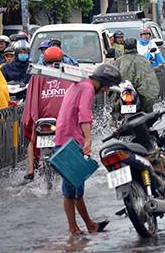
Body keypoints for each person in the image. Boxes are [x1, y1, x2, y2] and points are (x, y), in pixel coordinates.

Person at [53, 64, 120, 236]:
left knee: (73, 189)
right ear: (104, 82)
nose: (106, 90)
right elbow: (84, 114)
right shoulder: (88, 88)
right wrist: (88, 140)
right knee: (73, 189)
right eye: (107, 86)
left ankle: (85, 226)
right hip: (72, 142)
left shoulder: (81, 82)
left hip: (64, 139)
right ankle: (77, 229)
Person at [21, 47, 74, 180]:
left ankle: (31, 168)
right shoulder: (67, 73)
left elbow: (32, 100)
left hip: (42, 118)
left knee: (33, 137)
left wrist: (33, 117)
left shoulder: (38, 74)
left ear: (45, 60)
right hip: (62, 119)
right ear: (62, 59)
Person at [112, 37, 160, 118]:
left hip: (124, 93)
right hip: (141, 94)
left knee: (115, 110)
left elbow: (112, 77)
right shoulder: (144, 60)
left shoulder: (118, 61)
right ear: (136, 47)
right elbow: (151, 81)